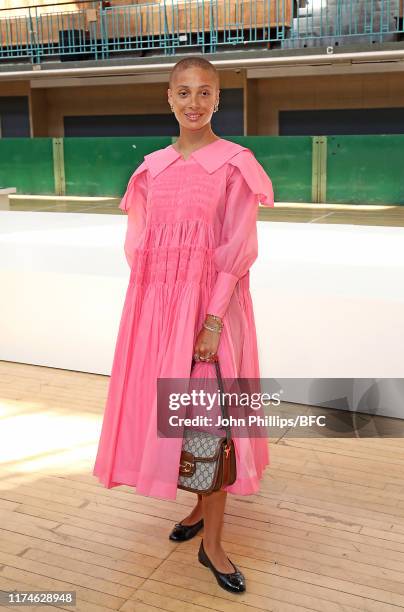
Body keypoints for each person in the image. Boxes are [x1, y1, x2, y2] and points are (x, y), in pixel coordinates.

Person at [93, 56, 274, 594]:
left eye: (205, 92)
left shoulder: (237, 164)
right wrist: (154, 318)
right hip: (156, 317)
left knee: (209, 430)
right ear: (168, 98)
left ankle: (213, 545)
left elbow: (238, 249)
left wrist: (213, 319)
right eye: (183, 92)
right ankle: (197, 511)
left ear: (219, 99)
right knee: (179, 422)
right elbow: (138, 249)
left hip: (210, 315)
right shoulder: (151, 169)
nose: (194, 103)